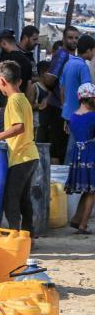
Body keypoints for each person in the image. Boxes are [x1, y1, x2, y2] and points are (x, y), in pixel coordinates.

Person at [0, 61, 38, 233]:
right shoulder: (24, 100)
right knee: (23, 199)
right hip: (31, 156)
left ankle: (15, 234)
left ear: (1, 81)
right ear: (20, 81)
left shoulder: (13, 101)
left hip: (20, 158)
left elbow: (18, 126)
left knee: (11, 199)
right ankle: (28, 235)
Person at [0, 28, 35, 136]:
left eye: (1, 46)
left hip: (2, 108)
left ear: (4, 43)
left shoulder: (5, 60)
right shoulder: (27, 62)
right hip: (19, 108)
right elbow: (30, 88)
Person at [43, 26, 80, 163]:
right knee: (58, 147)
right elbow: (50, 79)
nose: (73, 40)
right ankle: (55, 181)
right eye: (70, 37)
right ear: (64, 39)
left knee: (64, 147)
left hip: (67, 108)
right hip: (59, 108)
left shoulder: (72, 57)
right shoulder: (62, 54)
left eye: (76, 38)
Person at [60, 35, 95, 166]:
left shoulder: (69, 63)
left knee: (72, 148)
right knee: (78, 149)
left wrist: (65, 111)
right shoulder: (82, 67)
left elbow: (62, 88)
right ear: (89, 50)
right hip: (81, 115)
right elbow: (87, 93)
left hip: (69, 113)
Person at [65, 82, 95, 234]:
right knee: (92, 191)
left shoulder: (73, 117)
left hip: (78, 154)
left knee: (87, 189)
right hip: (91, 154)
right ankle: (83, 225)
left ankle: (76, 220)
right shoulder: (92, 117)